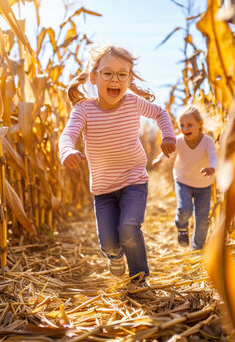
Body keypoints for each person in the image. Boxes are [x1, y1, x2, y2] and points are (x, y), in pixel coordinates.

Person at [59, 44, 176, 283]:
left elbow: (160, 114)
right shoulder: (84, 110)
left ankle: (139, 278)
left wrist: (168, 135)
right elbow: (68, 134)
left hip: (134, 181)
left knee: (129, 229)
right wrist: (67, 150)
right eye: (108, 73)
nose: (115, 79)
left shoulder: (133, 103)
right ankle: (114, 256)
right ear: (94, 77)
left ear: (129, 78)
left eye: (122, 74)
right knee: (110, 243)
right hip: (103, 190)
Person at [152, 106, 217, 250]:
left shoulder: (207, 141)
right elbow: (168, 150)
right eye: (182, 125)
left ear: (200, 125)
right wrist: (159, 159)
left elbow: (214, 156)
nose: (185, 128)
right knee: (184, 209)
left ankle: (197, 248)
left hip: (204, 185)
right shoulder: (179, 140)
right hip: (183, 181)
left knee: (202, 220)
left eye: (189, 125)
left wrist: (212, 168)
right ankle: (182, 228)